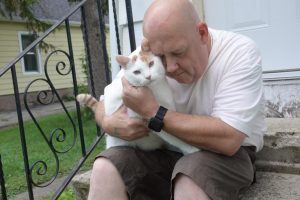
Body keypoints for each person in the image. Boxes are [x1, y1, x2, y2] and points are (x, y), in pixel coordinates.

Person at [88, 0, 266, 199]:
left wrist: (154, 113)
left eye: (178, 53)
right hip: (164, 149)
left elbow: (229, 139)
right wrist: (107, 122)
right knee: (106, 166)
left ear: (202, 33)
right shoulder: (148, 55)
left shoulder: (239, 52)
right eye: (161, 56)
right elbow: (105, 100)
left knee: (192, 174)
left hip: (224, 155)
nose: (170, 67)